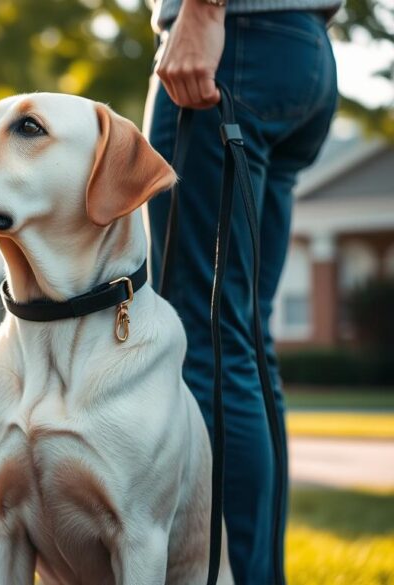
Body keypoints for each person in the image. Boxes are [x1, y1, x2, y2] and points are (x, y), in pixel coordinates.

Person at [145, 0, 341, 581]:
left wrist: (203, 13)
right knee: (245, 337)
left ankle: (218, 573)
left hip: (233, 44)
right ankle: (256, 573)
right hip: (302, 47)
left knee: (205, 334)